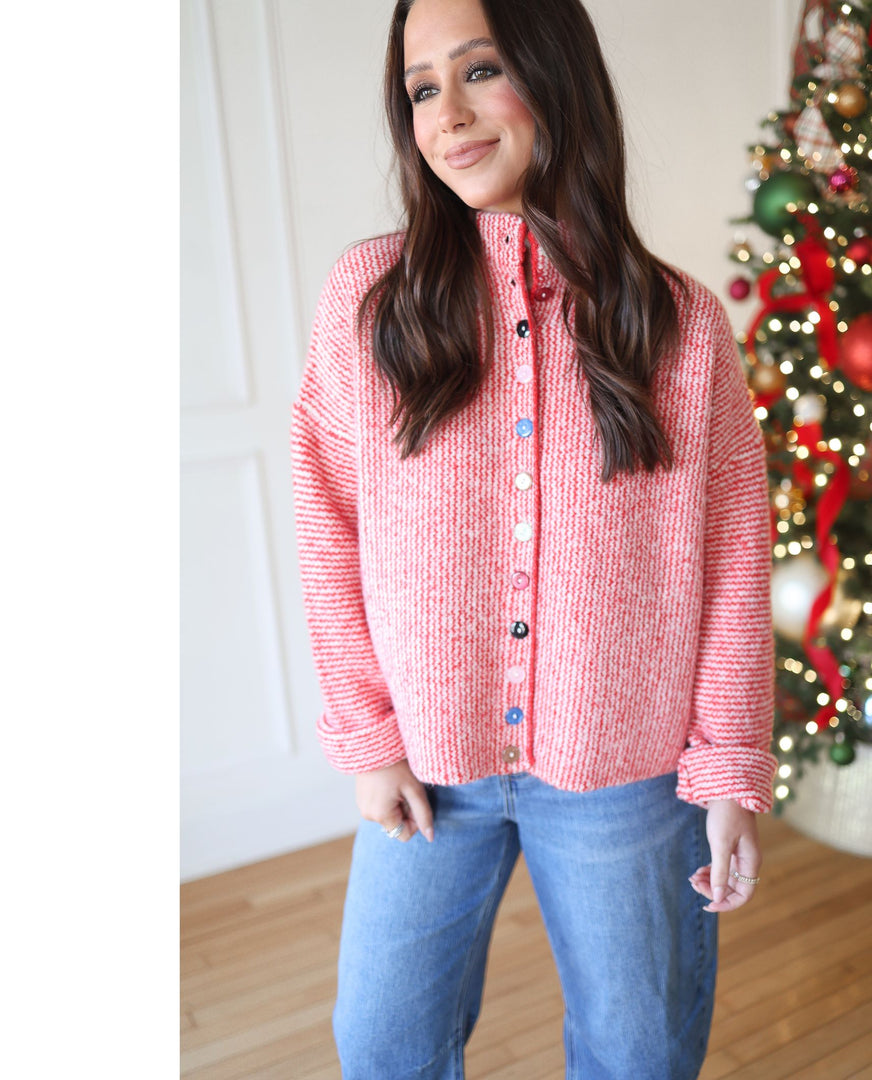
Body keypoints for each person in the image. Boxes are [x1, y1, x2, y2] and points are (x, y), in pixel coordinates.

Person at [290, 0, 777, 1076]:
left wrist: (730, 772)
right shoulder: (369, 303)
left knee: (638, 1053)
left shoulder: (679, 323)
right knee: (383, 1043)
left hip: (627, 772)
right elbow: (327, 522)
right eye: (422, 88)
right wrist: (366, 736)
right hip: (428, 765)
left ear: (555, 74)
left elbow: (736, 561)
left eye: (480, 70)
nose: (447, 115)